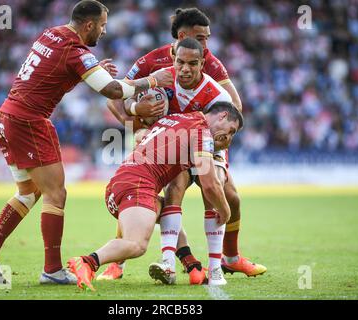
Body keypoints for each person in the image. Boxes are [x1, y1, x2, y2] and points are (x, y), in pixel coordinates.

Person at [0, 0, 173, 285]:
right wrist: (151, 80)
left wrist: (91, 71)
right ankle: (52, 270)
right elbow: (114, 89)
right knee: (56, 194)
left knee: (28, 192)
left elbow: (53, 73)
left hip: (7, 117)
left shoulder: (51, 33)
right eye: (102, 25)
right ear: (89, 24)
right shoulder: (75, 51)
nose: (103, 32)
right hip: (29, 121)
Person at [98, 8, 266, 283]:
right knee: (144, 190)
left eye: (207, 39)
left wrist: (213, 135)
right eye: (201, 38)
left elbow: (234, 107)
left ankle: (229, 259)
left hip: (204, 138)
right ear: (181, 37)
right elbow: (114, 98)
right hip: (166, 141)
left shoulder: (209, 62)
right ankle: (120, 262)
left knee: (228, 196)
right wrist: (136, 117)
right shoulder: (153, 61)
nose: (206, 46)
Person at [68, 101, 243, 290]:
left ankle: (190, 262)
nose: (230, 137)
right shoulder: (201, 132)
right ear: (223, 116)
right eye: (232, 130)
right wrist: (225, 211)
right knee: (136, 245)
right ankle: (87, 262)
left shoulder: (173, 118)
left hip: (121, 184)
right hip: (137, 186)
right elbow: (210, 185)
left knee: (169, 214)